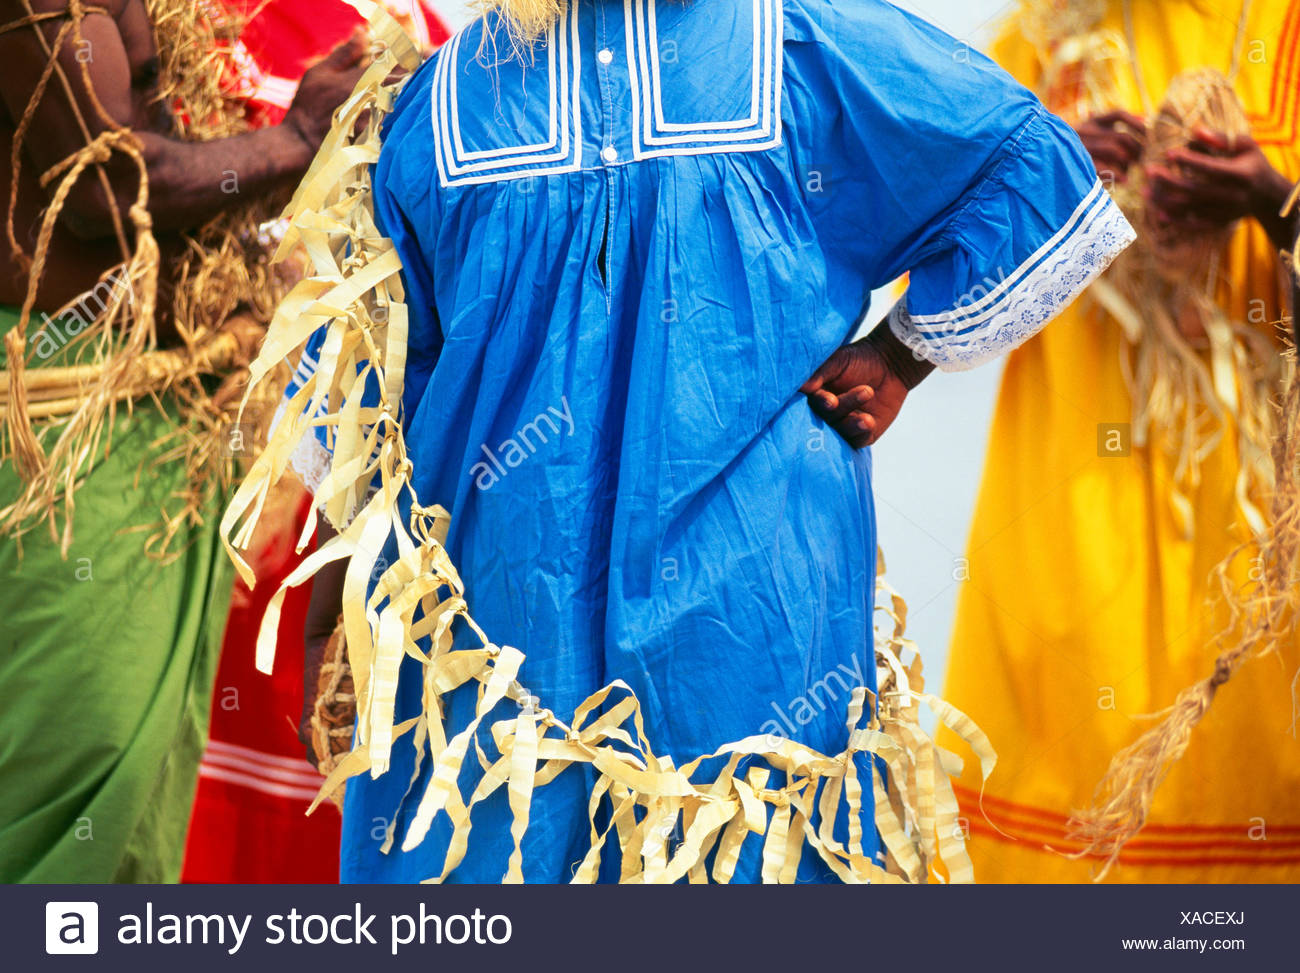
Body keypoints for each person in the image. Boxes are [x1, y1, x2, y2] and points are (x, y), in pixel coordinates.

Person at [248, 0, 1132, 883]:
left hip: (696, 648)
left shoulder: (789, 47)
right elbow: (370, 394)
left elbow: (1031, 169)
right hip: (531, 657)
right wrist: (898, 354)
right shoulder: (438, 108)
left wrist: (904, 351)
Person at [0, 0, 364, 882]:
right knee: (76, 779)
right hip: (63, 427)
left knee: (136, 803)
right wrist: (296, 140)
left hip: (155, 424)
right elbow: (100, 186)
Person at [939, 0, 1300, 882]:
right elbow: (940, 296)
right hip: (1071, 521)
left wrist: (1274, 201)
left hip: (1257, 546)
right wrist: (1044, 183)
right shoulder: (1042, 42)